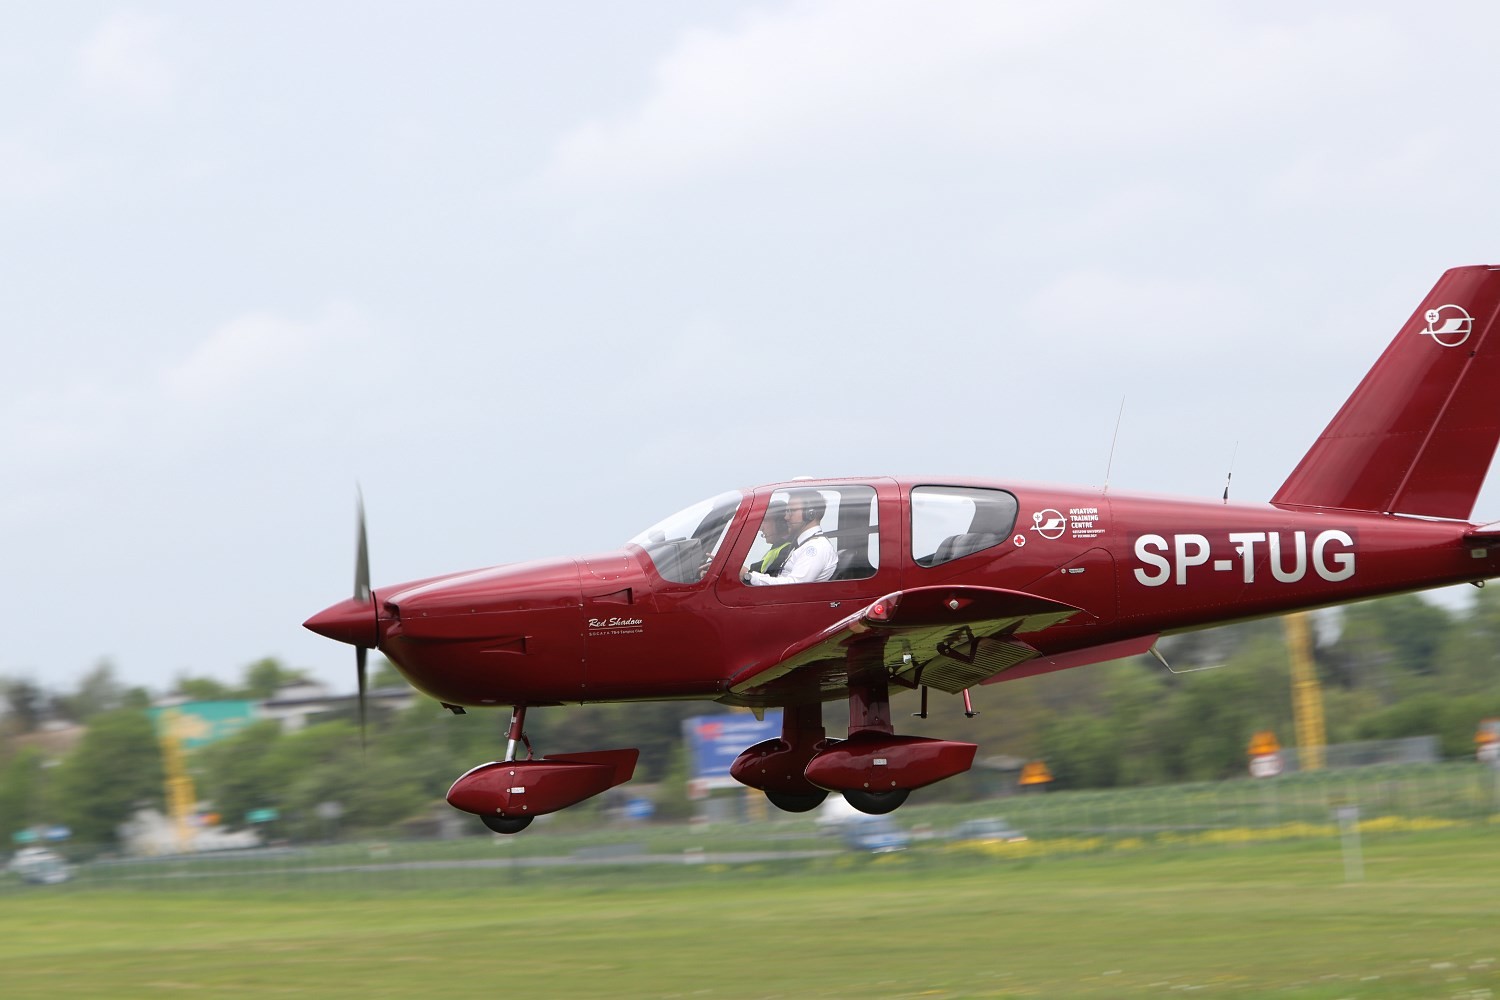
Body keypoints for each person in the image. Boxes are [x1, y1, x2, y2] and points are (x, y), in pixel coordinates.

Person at [743, 489, 837, 585]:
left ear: (810, 514)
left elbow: (793, 585)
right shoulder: (802, 544)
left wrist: (749, 576)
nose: (786, 517)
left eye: (791, 511)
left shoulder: (815, 547)